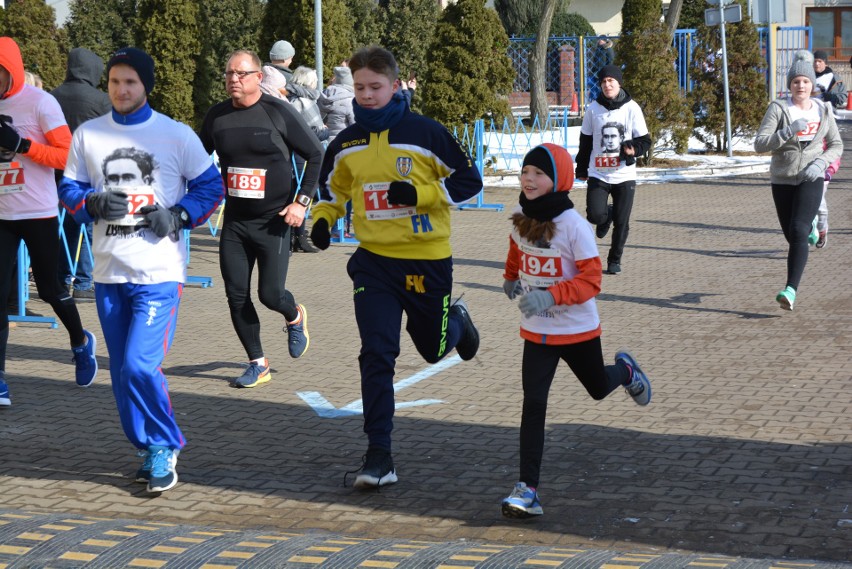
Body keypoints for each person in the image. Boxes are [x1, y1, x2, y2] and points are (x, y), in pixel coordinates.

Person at [310, 46, 482, 490]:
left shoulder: (425, 132)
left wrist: (420, 196)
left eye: (375, 88)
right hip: (375, 265)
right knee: (377, 353)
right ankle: (379, 454)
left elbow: (470, 180)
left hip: (426, 260)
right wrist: (323, 222)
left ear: (395, 86)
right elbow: (333, 190)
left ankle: (457, 325)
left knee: (431, 347)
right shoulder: (346, 142)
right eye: (360, 88)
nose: (366, 96)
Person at [58, 47, 224, 493]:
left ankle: (165, 444)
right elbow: (70, 187)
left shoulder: (175, 134)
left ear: (145, 85)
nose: (121, 89)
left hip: (158, 273)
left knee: (138, 365)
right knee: (121, 372)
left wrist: (180, 216)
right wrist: (88, 202)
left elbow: (212, 184)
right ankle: (146, 447)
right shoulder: (89, 135)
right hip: (109, 272)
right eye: (114, 81)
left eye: (130, 82)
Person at [500, 143, 651, 518]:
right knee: (533, 405)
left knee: (598, 388)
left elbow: (592, 280)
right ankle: (527, 490)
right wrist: (509, 278)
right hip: (536, 332)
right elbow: (517, 250)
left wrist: (550, 297)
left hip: (578, 330)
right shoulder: (520, 213)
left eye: (539, 173)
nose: (529, 180)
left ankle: (626, 371)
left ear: (560, 179)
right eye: (525, 172)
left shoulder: (573, 226)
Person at [199, 50, 324, 388]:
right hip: (236, 223)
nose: (233, 80)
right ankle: (258, 362)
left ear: (258, 76)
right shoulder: (217, 117)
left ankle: (294, 314)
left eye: (241, 74)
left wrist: (301, 203)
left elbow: (315, 154)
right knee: (236, 294)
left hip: (274, 222)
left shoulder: (277, 112)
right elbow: (195, 160)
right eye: (228, 74)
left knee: (270, 294)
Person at [0, 36, 98, 408]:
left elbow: (68, 156)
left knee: (52, 289)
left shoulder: (41, 102)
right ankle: (0, 379)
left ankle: (79, 341)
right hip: (2, 216)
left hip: (38, 212)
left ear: (11, 71)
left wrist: (23, 145)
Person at [754, 50, 842, 310]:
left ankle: (790, 290)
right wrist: (787, 131)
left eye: (805, 81)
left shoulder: (822, 110)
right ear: (789, 85)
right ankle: (811, 227)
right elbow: (760, 144)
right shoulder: (779, 108)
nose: (800, 86)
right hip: (782, 179)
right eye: (795, 82)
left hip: (810, 177)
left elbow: (836, 145)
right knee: (792, 235)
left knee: (798, 230)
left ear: (812, 84)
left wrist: (820, 163)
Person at [575, 65, 650, 276]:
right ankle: (604, 215)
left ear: (619, 84)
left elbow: (645, 141)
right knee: (595, 215)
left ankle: (614, 260)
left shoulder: (632, 108)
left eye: (611, 81)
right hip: (599, 173)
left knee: (622, 221)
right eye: (604, 82)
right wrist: (581, 168)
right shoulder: (593, 109)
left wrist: (633, 149)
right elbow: (586, 142)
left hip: (624, 175)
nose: (607, 85)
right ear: (600, 85)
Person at [52, 47, 112, 301]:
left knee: (63, 227)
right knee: (86, 226)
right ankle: (84, 282)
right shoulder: (100, 100)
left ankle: (62, 279)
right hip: (87, 172)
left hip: (54, 171)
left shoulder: (52, 96)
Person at [288, 66, 327, 254]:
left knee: (294, 193)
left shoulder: (291, 98)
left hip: (294, 154)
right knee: (302, 194)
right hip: (304, 155)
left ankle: (294, 237)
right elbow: (310, 132)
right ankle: (299, 237)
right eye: (314, 82)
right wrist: (324, 131)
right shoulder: (304, 101)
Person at [318, 66, 355, 143]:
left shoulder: (323, 96)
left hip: (324, 142)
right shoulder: (350, 100)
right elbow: (356, 126)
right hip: (344, 143)